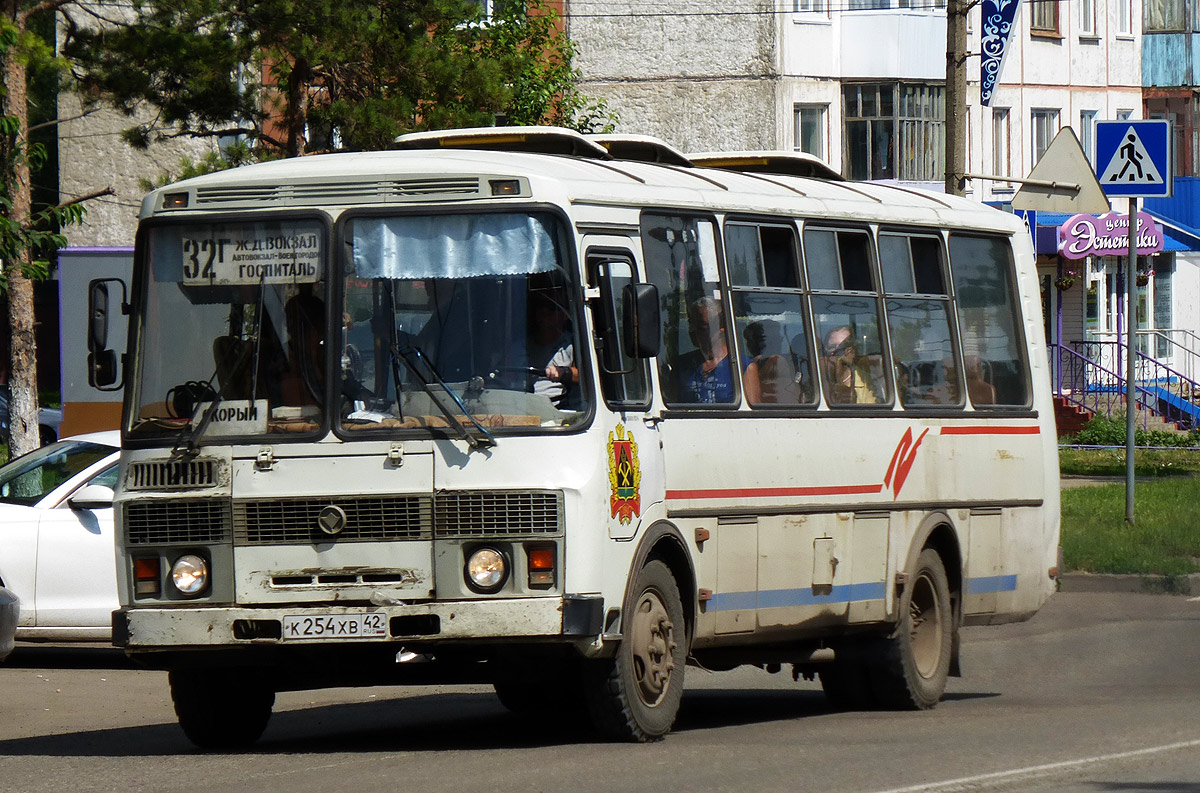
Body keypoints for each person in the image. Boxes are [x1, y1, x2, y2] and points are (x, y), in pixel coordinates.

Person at [679, 297, 740, 403]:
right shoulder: (681, 365)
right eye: (691, 324)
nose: (692, 330)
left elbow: (751, 418)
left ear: (721, 328)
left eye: (701, 326)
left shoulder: (741, 367)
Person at [527, 291, 577, 408]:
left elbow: (586, 375)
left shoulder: (572, 345)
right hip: (518, 404)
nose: (543, 312)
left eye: (551, 308)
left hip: (555, 410)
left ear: (566, 314)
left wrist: (564, 372)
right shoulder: (520, 346)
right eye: (540, 307)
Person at [822, 325, 879, 405]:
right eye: (832, 347)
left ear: (853, 351)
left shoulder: (867, 382)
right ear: (825, 351)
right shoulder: (818, 379)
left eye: (844, 347)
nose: (838, 352)